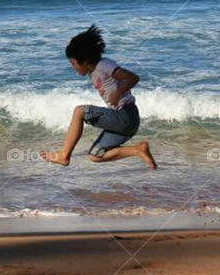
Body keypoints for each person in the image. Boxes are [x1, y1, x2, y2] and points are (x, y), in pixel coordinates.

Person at [41, 26, 156, 169]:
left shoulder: (104, 65)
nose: (72, 67)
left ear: (85, 61)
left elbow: (132, 78)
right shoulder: (93, 71)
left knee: (80, 111)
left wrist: (118, 93)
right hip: (125, 124)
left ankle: (64, 155)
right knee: (95, 155)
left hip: (125, 115)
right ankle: (138, 150)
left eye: (73, 63)